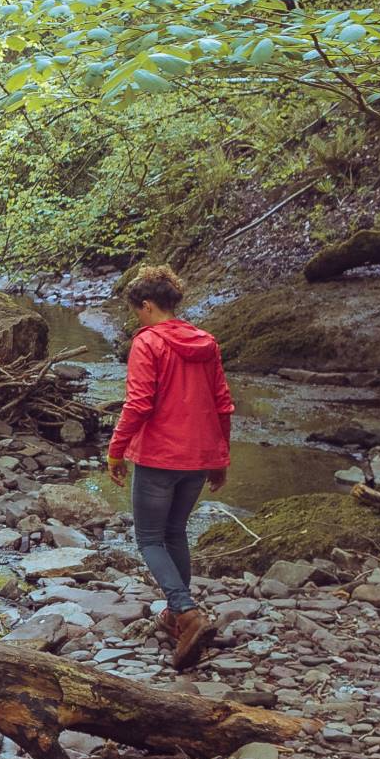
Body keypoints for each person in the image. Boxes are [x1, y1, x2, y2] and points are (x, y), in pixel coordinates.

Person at [105, 264, 233, 671]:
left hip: (160, 456)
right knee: (175, 531)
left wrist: (116, 450)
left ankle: (185, 609)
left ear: (147, 305)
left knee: (148, 538)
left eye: (137, 311)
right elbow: (223, 404)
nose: (136, 320)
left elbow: (139, 403)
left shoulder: (148, 343)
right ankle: (180, 619)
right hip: (198, 456)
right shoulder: (206, 342)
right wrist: (220, 458)